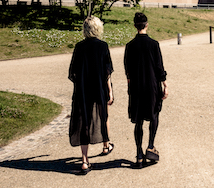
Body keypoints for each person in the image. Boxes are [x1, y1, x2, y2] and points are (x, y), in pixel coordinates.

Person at [68, 16, 114, 174]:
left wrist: (82, 81)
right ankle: (105, 146)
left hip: (83, 89)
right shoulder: (103, 46)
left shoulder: (79, 47)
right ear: (98, 28)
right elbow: (107, 72)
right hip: (99, 88)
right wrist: (110, 91)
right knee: (103, 115)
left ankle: (84, 161)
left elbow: (73, 72)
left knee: (84, 123)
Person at [124, 12, 168, 168]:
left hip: (136, 87)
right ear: (146, 25)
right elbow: (159, 67)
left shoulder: (129, 46)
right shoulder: (154, 44)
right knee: (154, 114)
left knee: (139, 121)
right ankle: (150, 145)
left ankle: (139, 154)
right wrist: (165, 84)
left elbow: (127, 71)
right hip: (151, 85)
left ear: (135, 26)